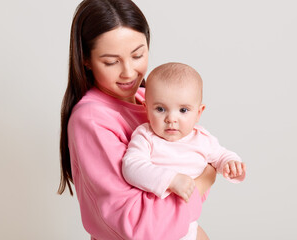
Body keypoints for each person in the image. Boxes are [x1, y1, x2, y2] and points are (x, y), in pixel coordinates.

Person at [58, 0, 217, 239]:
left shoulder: (149, 100)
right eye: (111, 62)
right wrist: (204, 180)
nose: (129, 72)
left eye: (138, 55)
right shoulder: (92, 119)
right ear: (86, 59)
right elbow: (141, 225)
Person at [122, 62, 246, 240]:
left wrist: (231, 164)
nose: (171, 118)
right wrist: (171, 179)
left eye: (183, 110)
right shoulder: (146, 136)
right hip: (155, 222)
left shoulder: (202, 139)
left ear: (199, 112)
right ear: (146, 108)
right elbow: (131, 167)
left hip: (187, 224)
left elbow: (220, 155)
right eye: (160, 109)